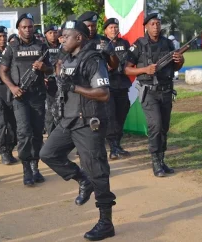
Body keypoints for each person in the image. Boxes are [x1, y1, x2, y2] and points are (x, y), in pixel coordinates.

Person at [40, 20, 116, 241]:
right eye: (62, 35)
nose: (62, 38)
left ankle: (106, 222)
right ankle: (82, 180)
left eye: (67, 35)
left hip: (87, 122)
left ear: (79, 38)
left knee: (98, 171)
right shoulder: (67, 60)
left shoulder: (93, 60)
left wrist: (74, 87)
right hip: (68, 120)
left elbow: (103, 93)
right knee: (48, 154)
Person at [125, 13, 184, 177]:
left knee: (164, 127)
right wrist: (145, 70)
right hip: (149, 92)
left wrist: (180, 60)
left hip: (166, 91)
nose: (156, 26)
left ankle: (162, 159)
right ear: (146, 26)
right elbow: (127, 69)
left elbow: (176, 67)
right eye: (152, 24)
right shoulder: (139, 45)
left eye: (158, 23)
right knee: (156, 126)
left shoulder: (168, 43)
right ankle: (155, 162)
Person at [0, 13, 53, 186]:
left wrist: (45, 68)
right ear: (18, 29)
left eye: (30, 26)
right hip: (20, 97)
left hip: (37, 96)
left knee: (37, 132)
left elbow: (51, 70)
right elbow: (3, 71)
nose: (28, 29)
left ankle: (35, 165)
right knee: (24, 132)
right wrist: (13, 88)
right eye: (24, 27)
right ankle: (26, 169)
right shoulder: (12, 48)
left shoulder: (42, 46)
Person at [103, 18, 132, 159]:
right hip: (108, 86)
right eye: (111, 27)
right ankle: (113, 147)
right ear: (105, 30)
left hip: (122, 84)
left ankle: (118, 145)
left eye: (116, 27)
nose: (114, 29)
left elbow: (129, 59)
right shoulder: (102, 44)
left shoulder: (124, 43)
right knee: (110, 116)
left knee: (121, 115)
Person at [0, 26, 18, 165]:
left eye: (4, 36)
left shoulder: (11, 50)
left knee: (14, 124)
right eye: (0, 36)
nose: (2, 39)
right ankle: (4, 152)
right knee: (1, 123)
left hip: (12, 90)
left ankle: (11, 147)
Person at [43, 24, 60, 136]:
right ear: (46, 35)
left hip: (62, 83)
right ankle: (51, 138)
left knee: (61, 111)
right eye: (50, 33)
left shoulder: (64, 47)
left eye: (55, 32)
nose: (53, 35)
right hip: (48, 83)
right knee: (49, 113)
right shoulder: (42, 47)